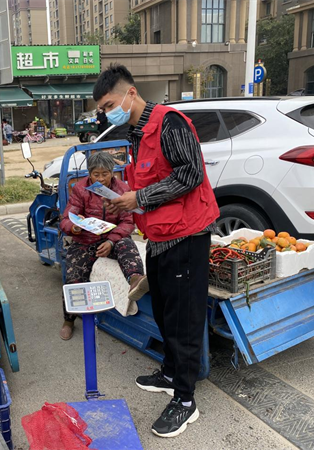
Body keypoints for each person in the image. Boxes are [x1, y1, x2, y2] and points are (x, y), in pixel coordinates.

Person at [94, 63, 219, 438]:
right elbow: (151, 181)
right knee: (164, 311)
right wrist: (125, 199)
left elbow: (190, 174)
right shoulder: (136, 134)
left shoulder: (169, 123)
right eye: (102, 109)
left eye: (110, 104)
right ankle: (170, 372)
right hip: (160, 237)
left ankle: (185, 400)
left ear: (130, 93)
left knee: (184, 320)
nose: (107, 113)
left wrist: (140, 197)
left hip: (187, 236)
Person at [59, 151, 147, 341]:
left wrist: (110, 241)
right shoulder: (80, 189)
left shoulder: (122, 189)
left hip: (111, 238)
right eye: (95, 174)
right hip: (85, 240)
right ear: (89, 173)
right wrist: (75, 226)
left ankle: (135, 279)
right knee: (73, 276)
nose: (100, 178)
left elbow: (128, 222)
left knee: (127, 245)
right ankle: (68, 320)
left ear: (112, 172)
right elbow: (66, 219)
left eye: (105, 174)